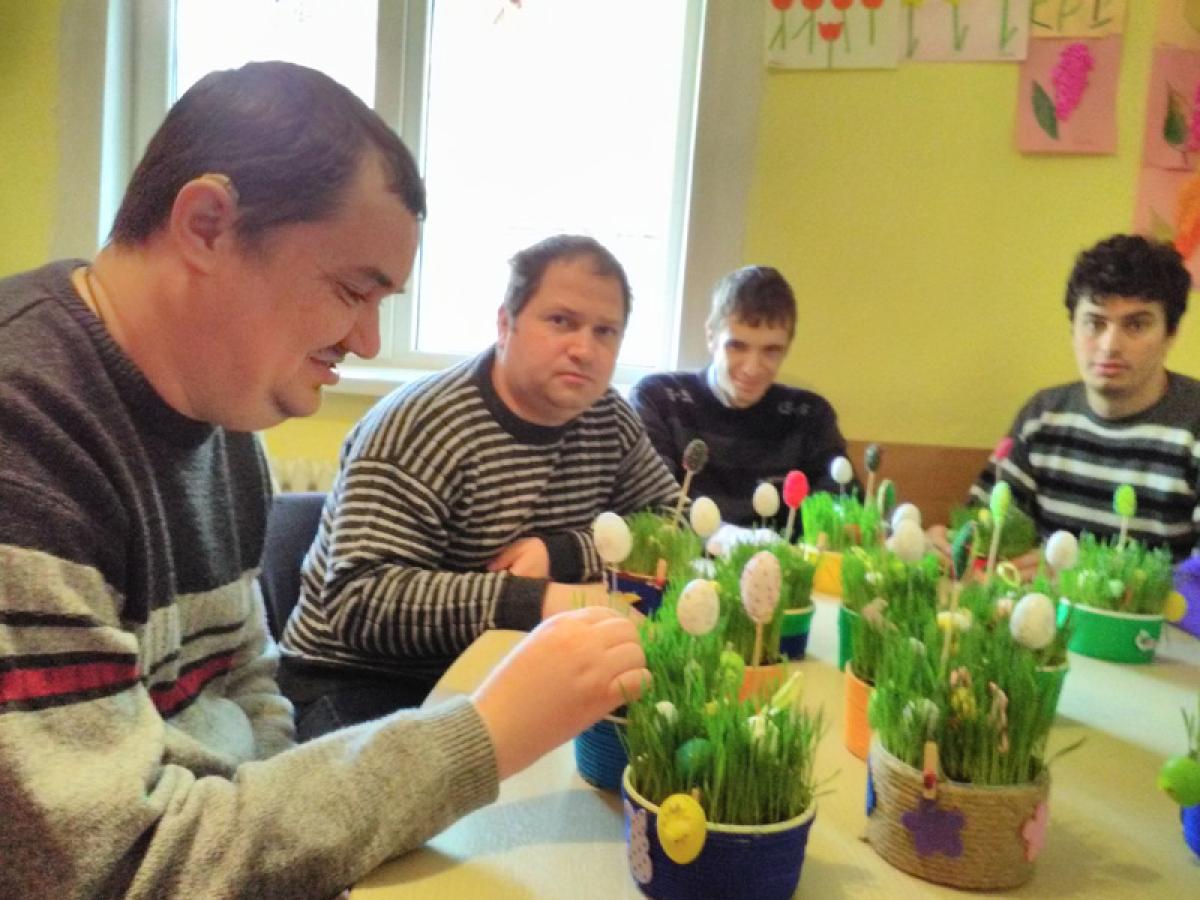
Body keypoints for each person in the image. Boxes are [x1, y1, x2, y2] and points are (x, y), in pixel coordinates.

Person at [0, 62, 648, 899]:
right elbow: (113, 866)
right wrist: (486, 734)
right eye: (352, 289)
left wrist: (288, 821)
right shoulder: (27, 431)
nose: (369, 342)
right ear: (207, 225)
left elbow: (249, 682)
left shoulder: (225, 422)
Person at [279, 233, 679, 731]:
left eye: (605, 331)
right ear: (505, 324)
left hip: (507, 665)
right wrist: (548, 600)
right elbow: (359, 600)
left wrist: (563, 555)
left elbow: (672, 524)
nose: (584, 349)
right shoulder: (420, 424)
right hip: (362, 680)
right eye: (561, 321)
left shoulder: (608, 417)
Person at [929, 234, 1199, 576]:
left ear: (1170, 334)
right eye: (1095, 323)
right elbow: (988, 526)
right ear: (1073, 329)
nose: (1110, 345)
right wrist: (952, 543)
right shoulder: (1042, 416)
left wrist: (1084, 578)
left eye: (1136, 325)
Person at [629, 264, 850, 528]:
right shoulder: (659, 399)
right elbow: (651, 501)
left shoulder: (809, 415)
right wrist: (725, 539)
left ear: (787, 347)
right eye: (737, 346)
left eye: (771, 350)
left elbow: (842, 504)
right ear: (711, 336)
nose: (752, 368)